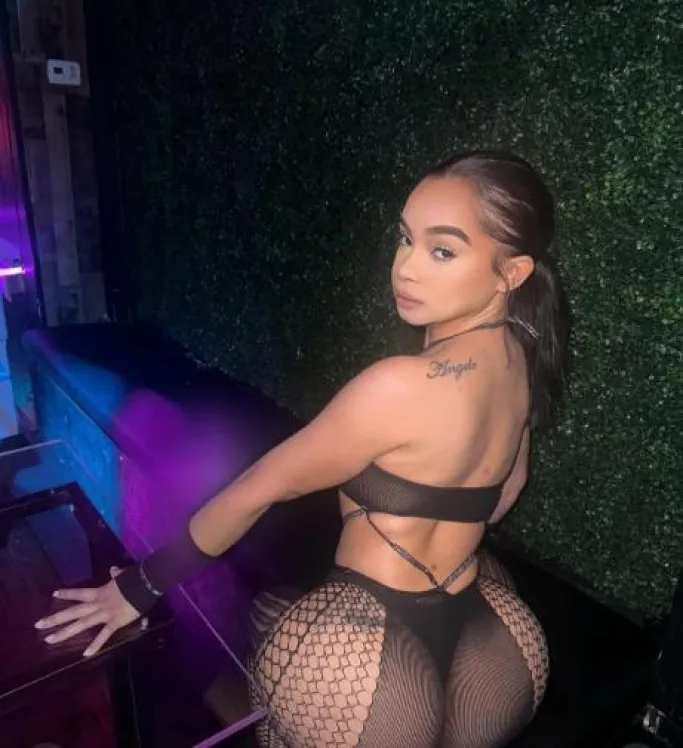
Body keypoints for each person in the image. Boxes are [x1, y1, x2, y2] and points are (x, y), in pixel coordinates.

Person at [35, 150, 571, 747]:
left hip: (365, 659)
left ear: (511, 273)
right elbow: (505, 493)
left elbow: (254, 491)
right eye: (405, 239)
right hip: (497, 650)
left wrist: (139, 587)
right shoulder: (521, 359)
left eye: (442, 251)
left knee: (254, 634)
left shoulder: (398, 385)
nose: (405, 268)